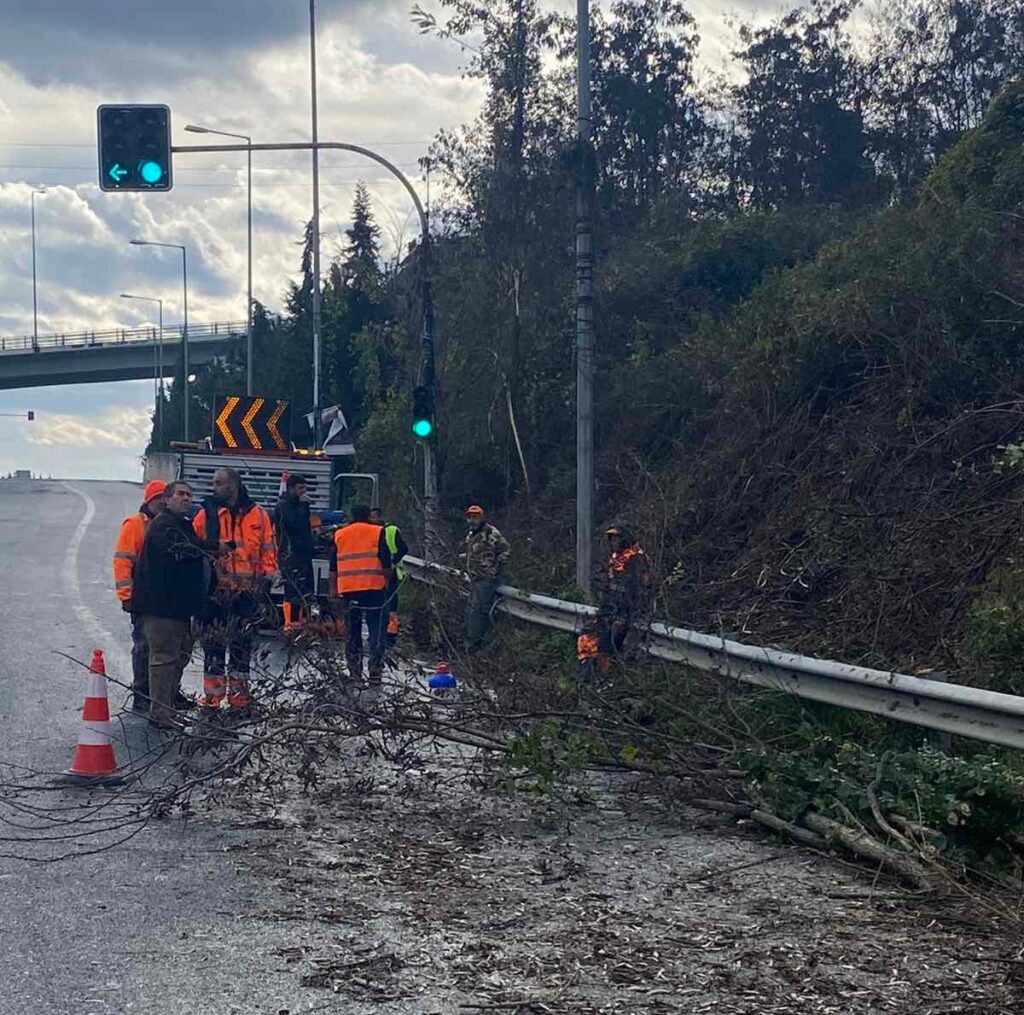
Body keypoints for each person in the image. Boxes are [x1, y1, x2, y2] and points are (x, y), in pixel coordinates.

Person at [193, 467, 277, 714]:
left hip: (245, 593)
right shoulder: (206, 515)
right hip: (215, 593)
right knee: (213, 648)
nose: (213, 487)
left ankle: (239, 700)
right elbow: (195, 546)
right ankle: (213, 700)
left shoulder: (258, 515)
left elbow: (268, 549)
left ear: (233, 485)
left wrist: (267, 580)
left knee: (242, 648)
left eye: (218, 483)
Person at [131, 481, 211, 729]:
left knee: (178, 657)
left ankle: (167, 707)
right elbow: (186, 551)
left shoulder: (181, 525)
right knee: (164, 659)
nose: (186, 499)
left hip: (179, 608)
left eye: (189, 495)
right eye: (180, 494)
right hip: (161, 607)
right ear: (166, 499)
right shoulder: (164, 526)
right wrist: (214, 547)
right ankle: (160, 713)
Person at [112, 480, 166, 713]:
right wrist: (127, 595)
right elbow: (123, 560)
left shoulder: (167, 524)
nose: (162, 503)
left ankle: (163, 695)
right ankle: (142, 693)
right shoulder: (135, 524)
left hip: (165, 598)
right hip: (142, 598)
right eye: (158, 499)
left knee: (165, 650)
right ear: (149, 500)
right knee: (144, 646)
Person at [332, 504, 392, 684]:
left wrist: (332, 590)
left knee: (352, 631)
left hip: (349, 590)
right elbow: (385, 560)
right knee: (376, 630)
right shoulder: (378, 531)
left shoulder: (340, 534)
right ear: (368, 516)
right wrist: (387, 582)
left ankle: (355, 672)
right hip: (374, 588)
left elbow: (333, 565)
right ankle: (375, 670)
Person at [595, 523, 654, 665]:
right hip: (610, 602)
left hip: (625, 606)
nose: (614, 542)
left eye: (617, 539)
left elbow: (640, 586)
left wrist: (630, 608)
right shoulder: (617, 556)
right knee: (602, 638)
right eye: (612, 539)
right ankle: (601, 670)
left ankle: (610, 669)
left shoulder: (636, 558)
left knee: (614, 639)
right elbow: (610, 578)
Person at [461, 505, 510, 654]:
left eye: (475, 517)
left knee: (477, 611)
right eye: (470, 517)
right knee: (471, 610)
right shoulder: (470, 535)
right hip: (474, 579)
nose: (472, 520)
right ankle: (471, 645)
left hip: (486, 579)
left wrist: (495, 567)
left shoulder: (490, 532)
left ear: (481, 517)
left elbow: (506, 550)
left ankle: (475, 646)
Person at [274, 473, 315, 630]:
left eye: (304, 488)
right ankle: (291, 625)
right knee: (293, 591)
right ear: (291, 489)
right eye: (300, 488)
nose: (303, 491)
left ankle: (303, 624)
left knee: (306, 590)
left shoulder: (298, 505)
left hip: (304, 554)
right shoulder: (284, 506)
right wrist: (304, 506)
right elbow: (294, 524)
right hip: (291, 555)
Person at [370, 507, 409, 648]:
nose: (372, 520)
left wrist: (393, 561)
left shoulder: (391, 530)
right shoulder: (371, 532)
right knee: (378, 605)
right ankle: (377, 634)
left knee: (390, 605)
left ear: (381, 517)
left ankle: (390, 635)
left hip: (391, 574)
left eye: (374, 517)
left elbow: (403, 548)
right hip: (376, 573)